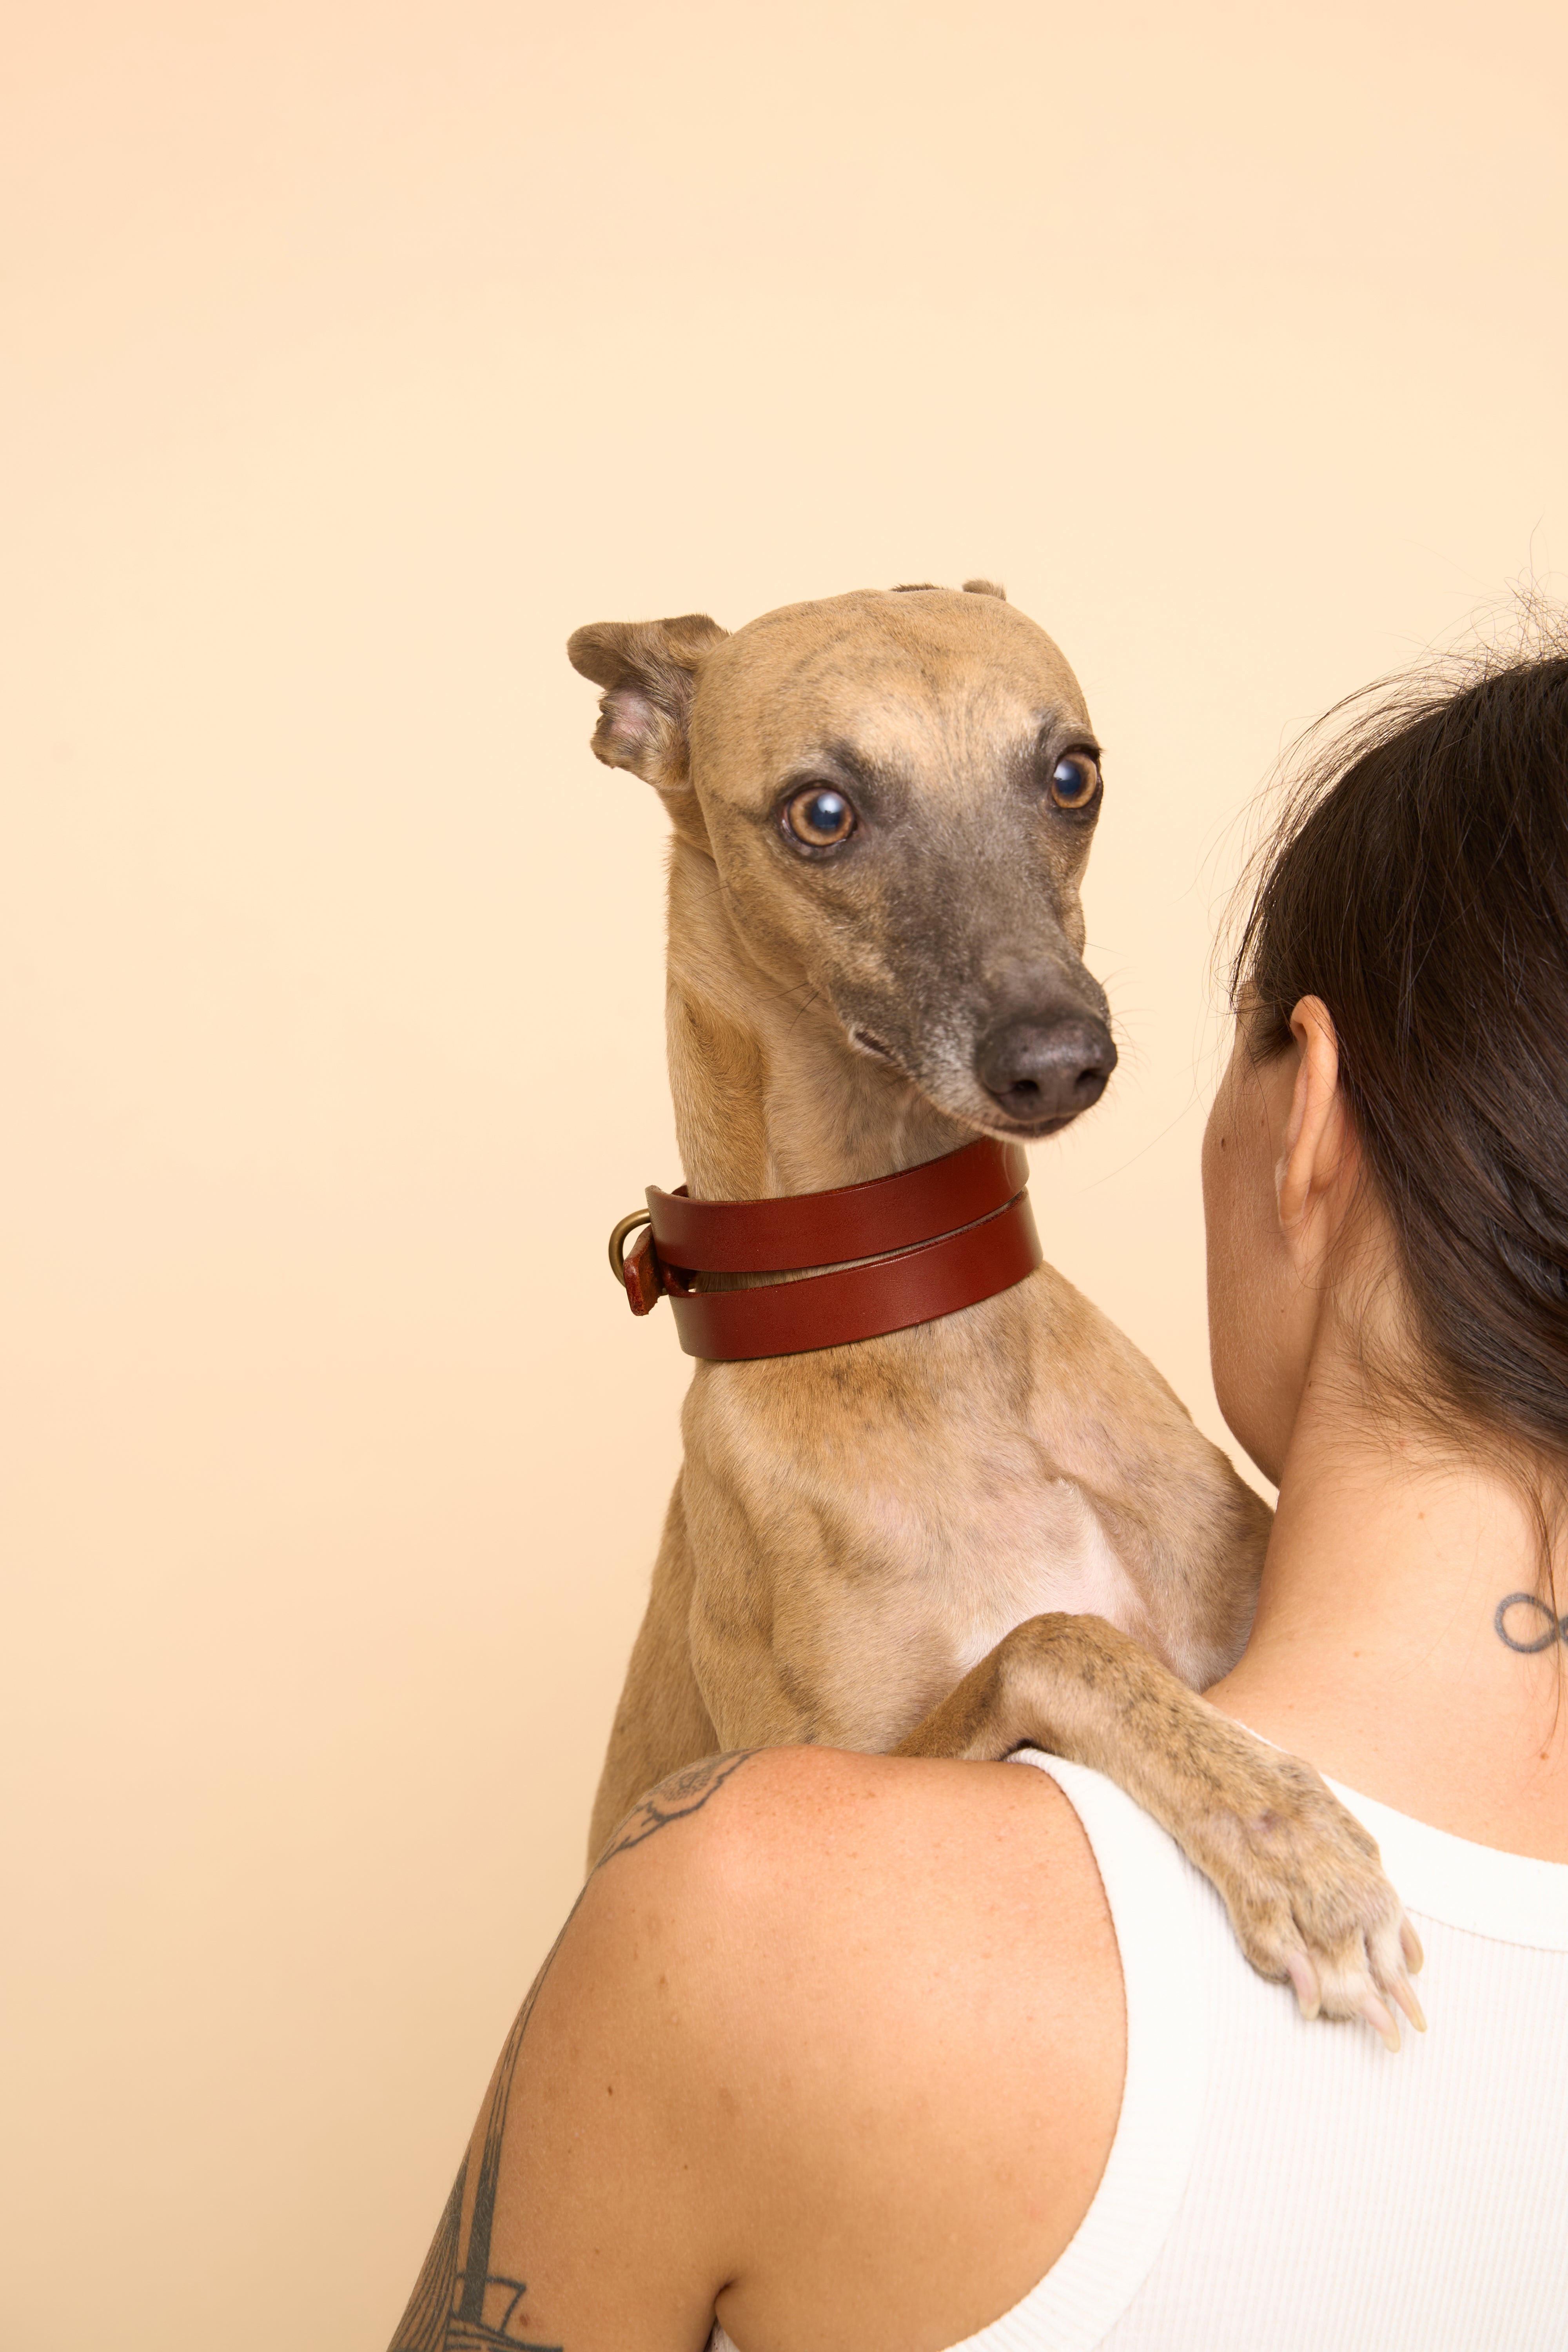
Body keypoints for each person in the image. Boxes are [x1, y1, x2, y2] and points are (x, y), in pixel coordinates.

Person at [389, 642, 1568, 2352]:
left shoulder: (756, 1906)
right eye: (827, 812)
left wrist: (1057, 1667)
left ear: (1305, 1117)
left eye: (1058, 787)